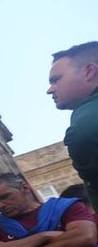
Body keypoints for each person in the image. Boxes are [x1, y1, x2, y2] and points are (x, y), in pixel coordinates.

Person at [47, 42, 98, 207]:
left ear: (89, 71)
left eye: (56, 80)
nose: (50, 90)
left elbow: (84, 138)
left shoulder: (84, 128)